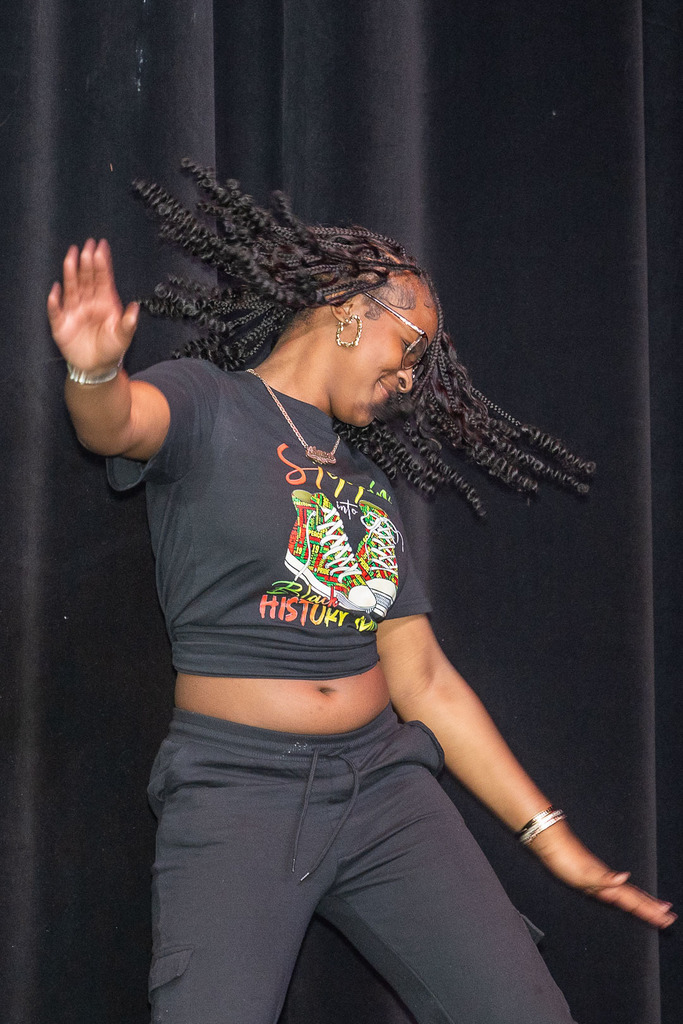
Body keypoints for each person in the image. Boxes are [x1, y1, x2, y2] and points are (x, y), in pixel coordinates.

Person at [47, 166, 674, 1024]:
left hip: (385, 788)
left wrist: (551, 839)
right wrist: (93, 374)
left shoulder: (365, 483)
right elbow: (118, 424)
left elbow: (426, 684)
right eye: (412, 348)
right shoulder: (210, 403)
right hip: (240, 791)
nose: (412, 379)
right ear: (351, 306)